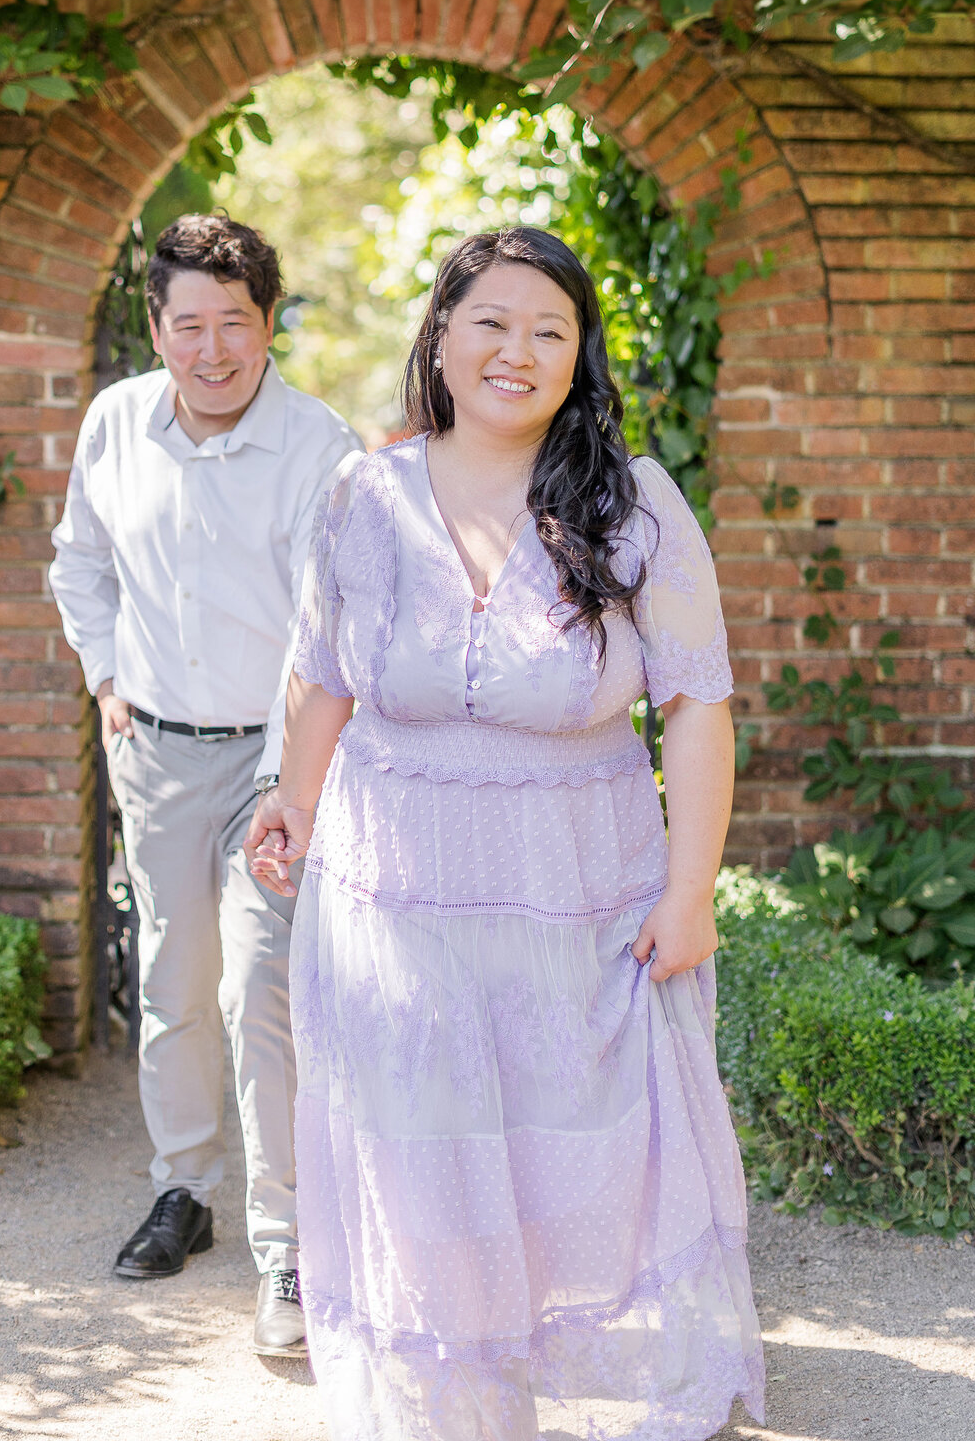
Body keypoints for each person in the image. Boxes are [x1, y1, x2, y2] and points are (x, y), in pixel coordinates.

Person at [246, 226, 766, 1438]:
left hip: (575, 898)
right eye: (490, 322)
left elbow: (696, 704)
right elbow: (324, 674)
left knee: (570, 1145)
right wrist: (294, 801)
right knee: (421, 1142)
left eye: (549, 330)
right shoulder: (364, 496)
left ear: (580, 357)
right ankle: (453, 1398)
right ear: (441, 338)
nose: (516, 351)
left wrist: (690, 891)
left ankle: (567, 1366)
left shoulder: (633, 505)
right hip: (393, 895)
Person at [49, 213, 363, 1356]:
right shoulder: (115, 424)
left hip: (276, 764)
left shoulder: (319, 447)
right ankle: (183, 1190)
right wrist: (104, 675)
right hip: (157, 753)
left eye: (236, 321)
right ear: (157, 328)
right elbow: (79, 562)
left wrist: (292, 776)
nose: (214, 349)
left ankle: (288, 1244)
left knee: (260, 990)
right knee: (174, 983)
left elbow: (328, 629)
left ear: (269, 323)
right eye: (191, 325)